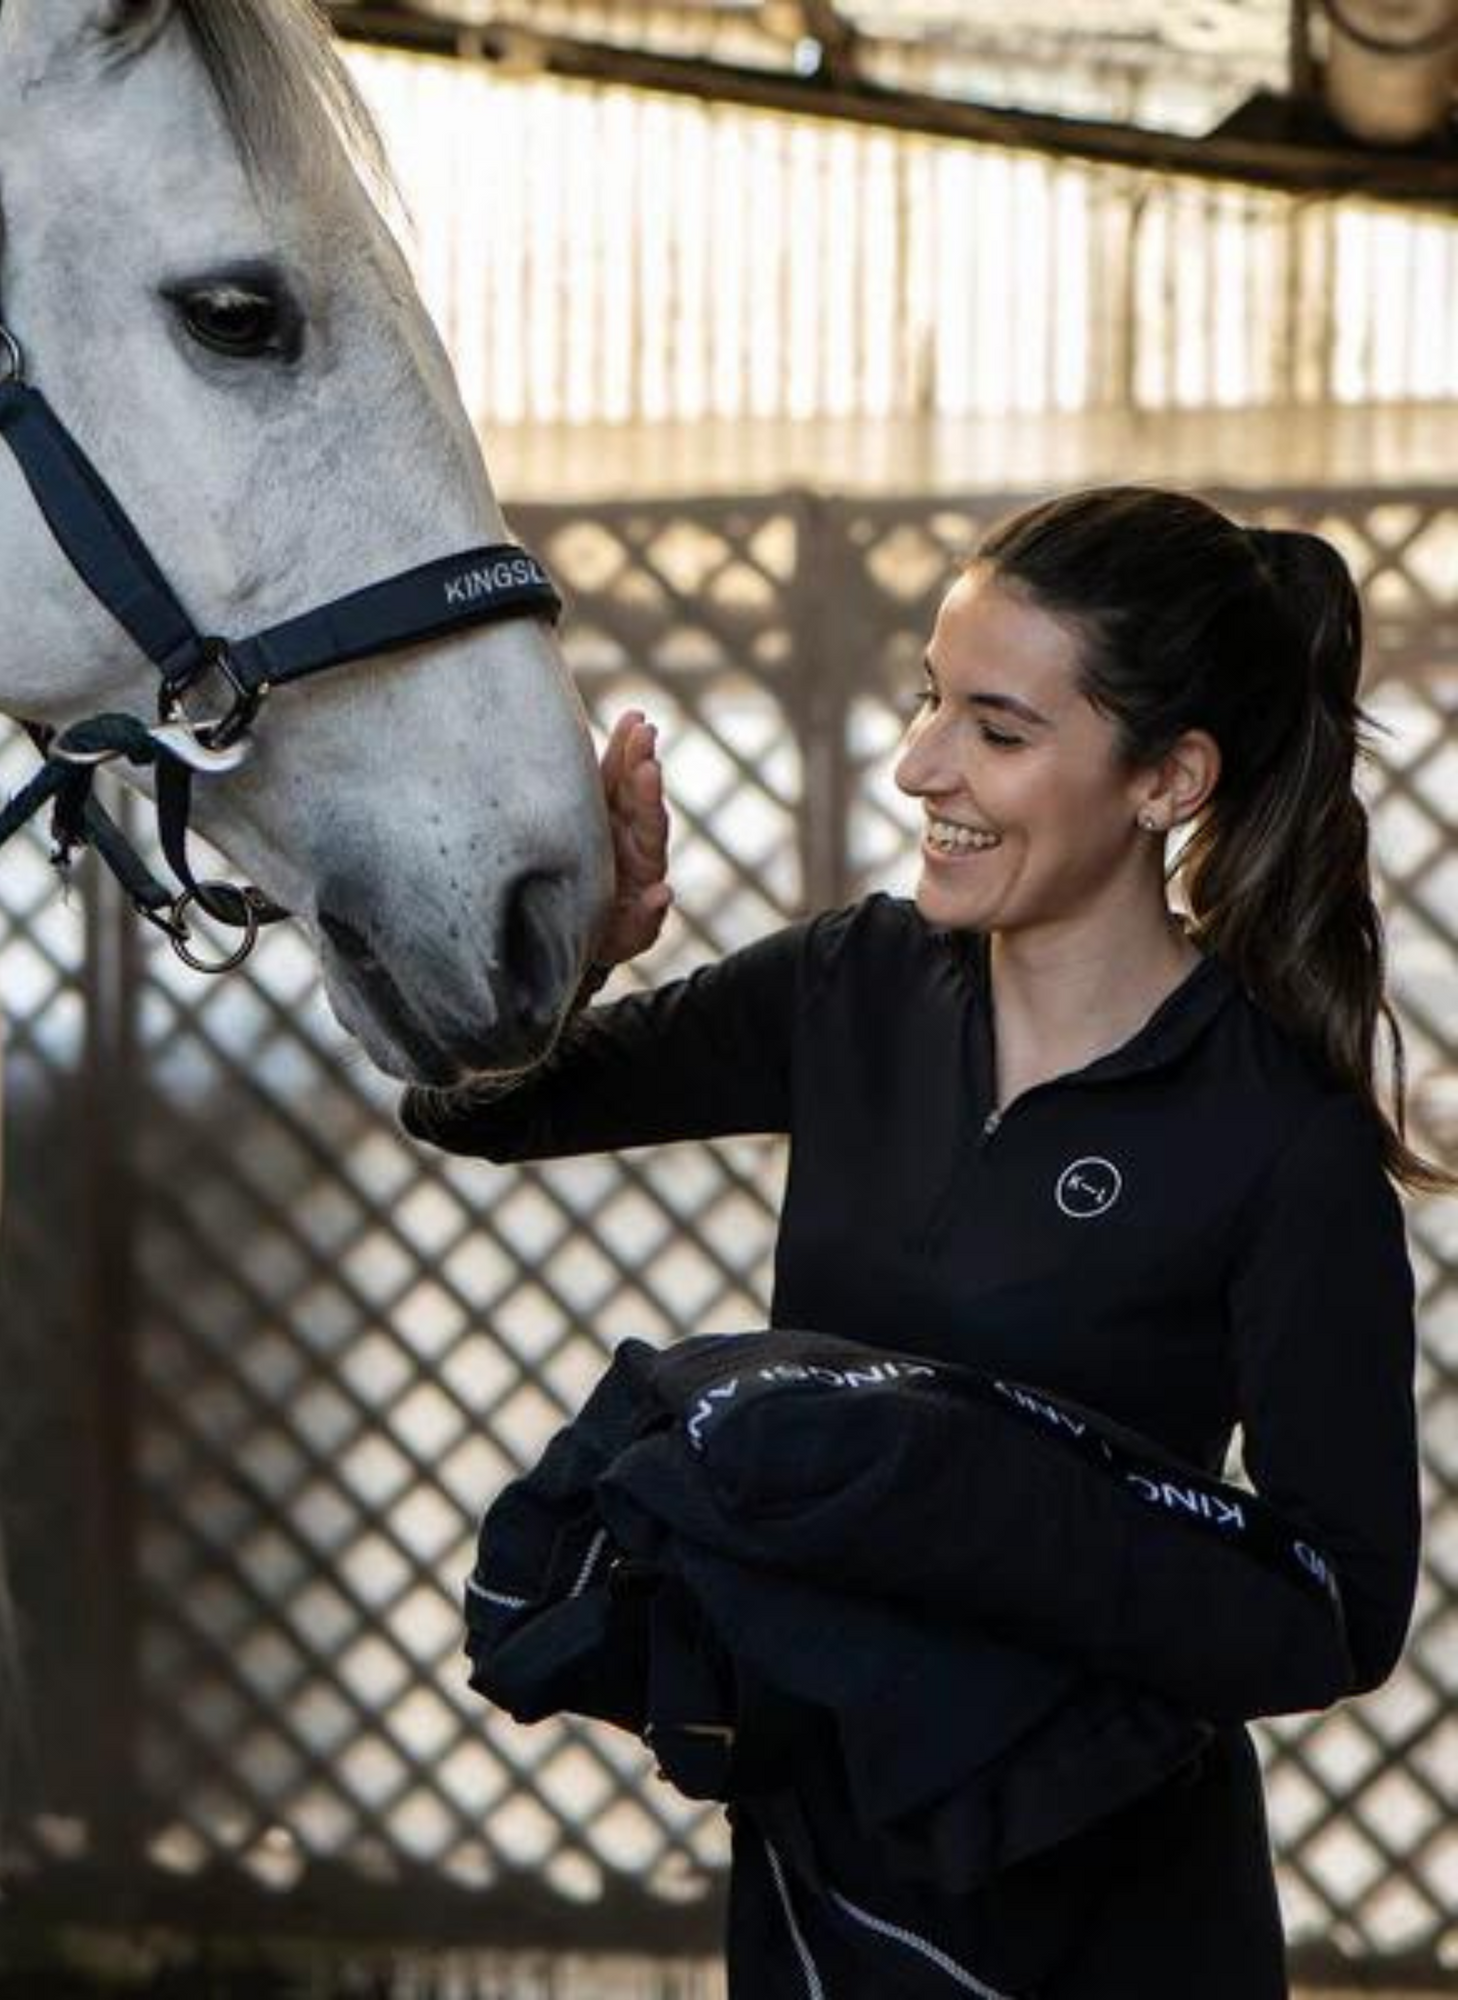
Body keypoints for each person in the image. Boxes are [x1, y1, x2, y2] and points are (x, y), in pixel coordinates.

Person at [401, 485, 1444, 1995]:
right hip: (820, 1885)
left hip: (1110, 1916)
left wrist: (956, 1473)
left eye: (1000, 731)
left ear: (1168, 780)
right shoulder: (857, 985)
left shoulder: (1277, 1132)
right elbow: (472, 1106)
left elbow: (1338, 1610)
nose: (918, 767)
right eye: (929, 702)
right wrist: (575, 954)